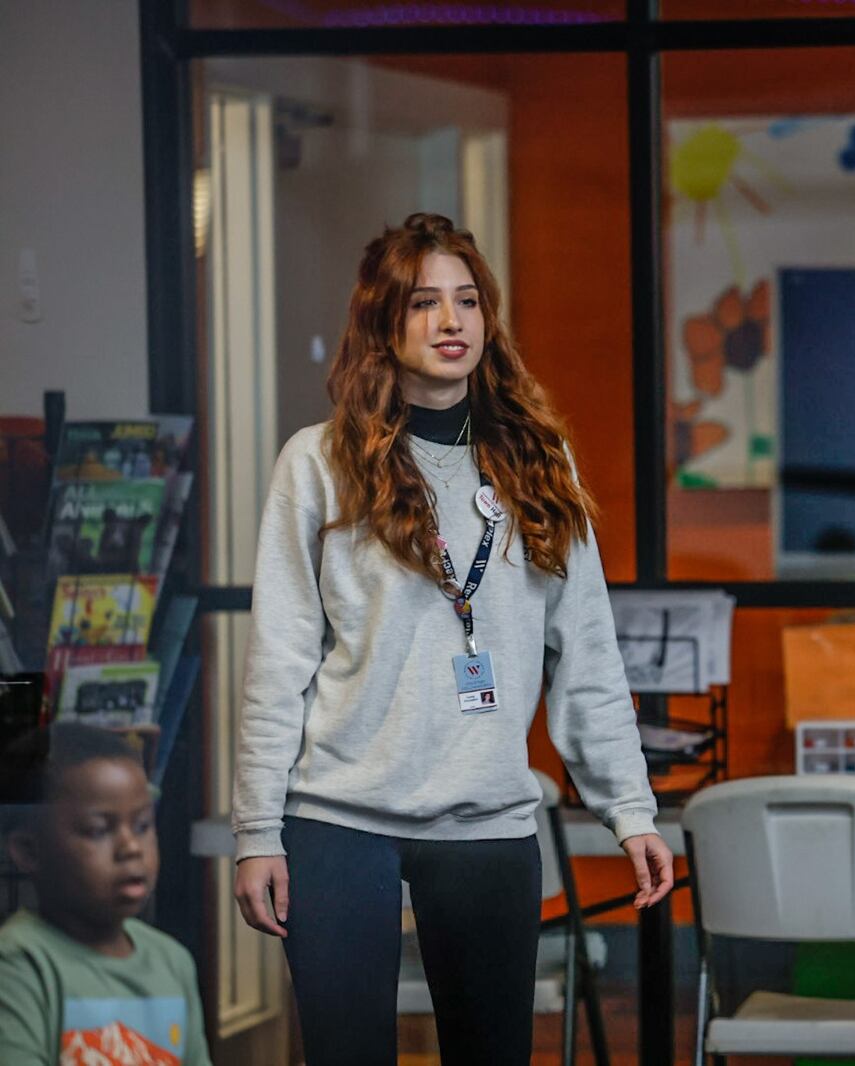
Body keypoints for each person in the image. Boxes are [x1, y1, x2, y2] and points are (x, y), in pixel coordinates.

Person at [231, 213, 672, 1066]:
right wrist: (258, 831)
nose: (451, 322)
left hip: (488, 820)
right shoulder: (318, 463)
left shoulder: (541, 464)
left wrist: (630, 809)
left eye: (467, 301)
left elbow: (586, 657)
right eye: (424, 302)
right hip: (336, 817)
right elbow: (279, 662)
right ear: (382, 324)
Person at [0, 723, 213, 1066]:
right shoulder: (19, 965)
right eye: (99, 830)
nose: (131, 847)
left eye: (143, 825)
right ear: (29, 851)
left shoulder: (173, 962)